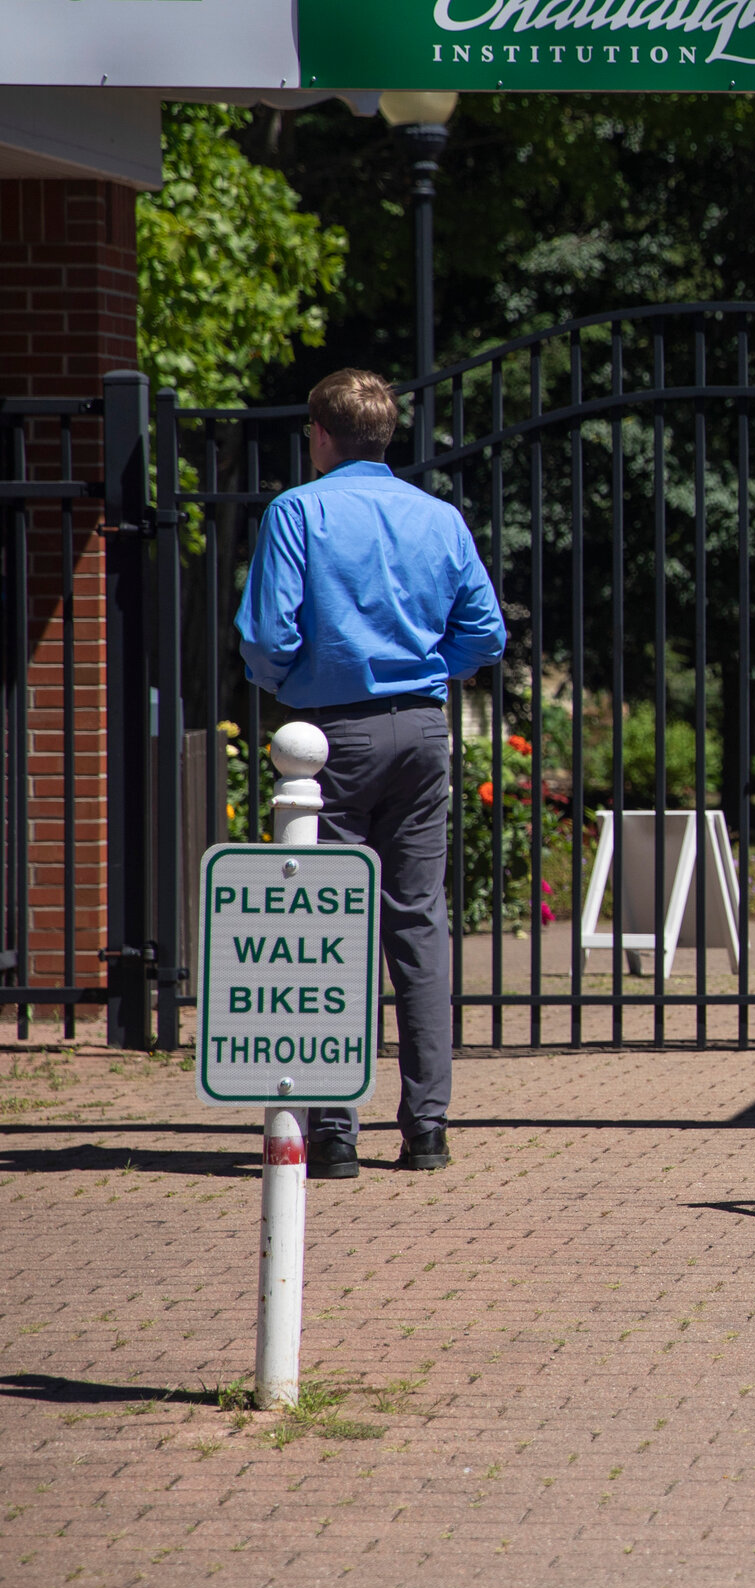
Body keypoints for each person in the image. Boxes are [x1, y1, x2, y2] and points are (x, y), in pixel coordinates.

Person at [235, 368, 508, 1180]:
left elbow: (265, 636)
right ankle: (426, 1128)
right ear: (387, 436)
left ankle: (334, 1131)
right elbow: (484, 634)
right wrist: (424, 666)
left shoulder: (299, 511)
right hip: (424, 728)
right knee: (417, 922)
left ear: (320, 435)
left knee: (332, 921)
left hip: (332, 731)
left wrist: (298, 680)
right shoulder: (439, 517)